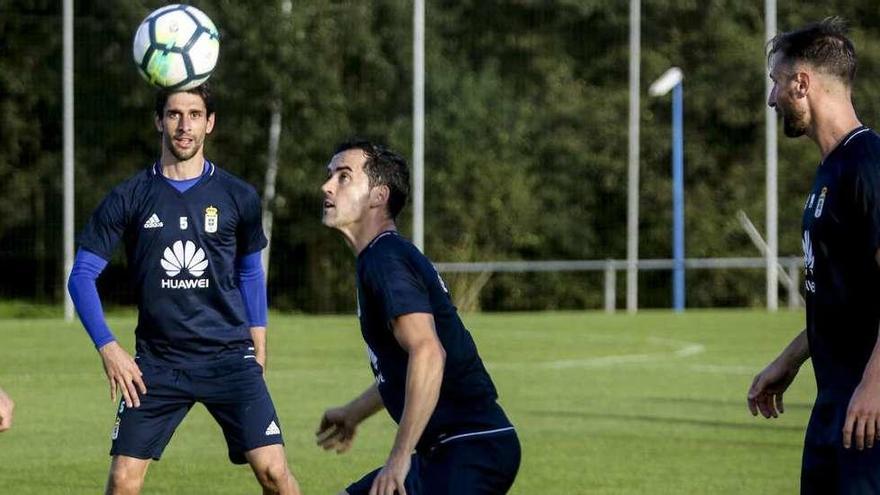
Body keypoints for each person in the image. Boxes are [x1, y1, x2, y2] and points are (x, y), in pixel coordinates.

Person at [67, 84, 301, 495]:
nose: (184, 125)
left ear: (210, 123)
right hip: (157, 364)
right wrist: (109, 346)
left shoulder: (238, 196)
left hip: (229, 357)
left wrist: (259, 346)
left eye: (194, 114)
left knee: (275, 475)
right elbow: (81, 275)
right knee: (123, 481)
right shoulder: (129, 197)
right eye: (174, 114)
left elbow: (250, 272)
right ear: (159, 121)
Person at [316, 140, 521, 495]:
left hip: (469, 449)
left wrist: (398, 458)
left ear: (378, 196)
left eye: (344, 177)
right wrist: (353, 412)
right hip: (462, 448)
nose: (327, 185)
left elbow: (428, 353)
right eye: (330, 175)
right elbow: (406, 365)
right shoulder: (380, 257)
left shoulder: (386, 259)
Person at [748, 17, 880, 493]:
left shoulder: (868, 164)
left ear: (801, 83)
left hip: (867, 410)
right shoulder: (831, 170)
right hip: (834, 402)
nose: (771, 99)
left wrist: (874, 386)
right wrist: (791, 358)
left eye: (776, 83)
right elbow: (845, 295)